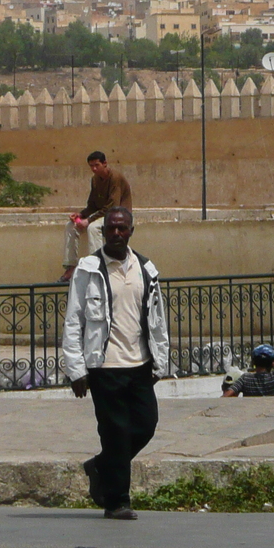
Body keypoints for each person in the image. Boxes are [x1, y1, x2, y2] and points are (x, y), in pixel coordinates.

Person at [62, 206, 170, 520]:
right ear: (104, 231)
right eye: (111, 228)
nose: (117, 233)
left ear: (131, 231)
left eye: (123, 228)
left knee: (146, 425)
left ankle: (101, 466)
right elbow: (73, 320)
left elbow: (157, 319)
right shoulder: (88, 268)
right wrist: (76, 369)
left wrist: (159, 362)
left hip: (139, 365)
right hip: (103, 366)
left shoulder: (146, 269)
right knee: (116, 432)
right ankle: (117, 501)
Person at [61, 151, 133, 282]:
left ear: (105, 164)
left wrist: (88, 220)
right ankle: (70, 267)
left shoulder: (115, 178)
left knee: (93, 228)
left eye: (96, 165)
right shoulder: (94, 180)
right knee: (71, 226)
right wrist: (81, 215)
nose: (94, 169)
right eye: (91, 166)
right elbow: (93, 205)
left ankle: (98, 267)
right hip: (104, 214)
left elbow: (112, 207)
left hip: (118, 216)